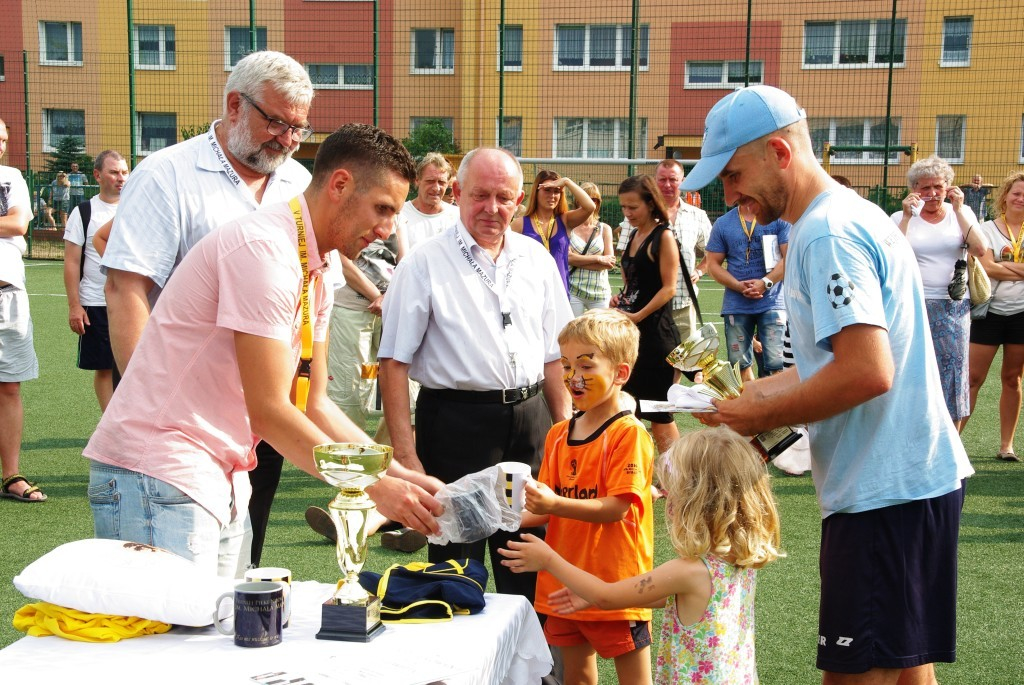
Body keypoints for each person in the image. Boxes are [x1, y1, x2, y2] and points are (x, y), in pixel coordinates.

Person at [682, 85, 971, 684]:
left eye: (734, 175)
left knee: (856, 672)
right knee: (906, 667)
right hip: (911, 481)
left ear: (780, 153)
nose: (729, 194)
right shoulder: (850, 213)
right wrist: (757, 396)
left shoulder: (826, 233)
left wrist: (759, 418)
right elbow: (844, 359)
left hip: (885, 493)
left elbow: (867, 371)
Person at [83, 123, 443, 577]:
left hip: (218, 472)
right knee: (167, 643)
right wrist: (373, 485)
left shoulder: (316, 263)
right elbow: (270, 411)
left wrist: (395, 473)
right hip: (162, 472)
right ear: (339, 185)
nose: (389, 229)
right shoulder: (265, 250)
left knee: (215, 637)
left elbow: (312, 402)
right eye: (383, 208)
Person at [100, 51, 315, 569]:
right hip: (181, 431)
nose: (287, 139)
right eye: (277, 122)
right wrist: (151, 403)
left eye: (299, 129)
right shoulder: (166, 174)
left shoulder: (296, 185)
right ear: (235, 105)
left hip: (264, 415)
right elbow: (127, 290)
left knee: (240, 578)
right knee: (166, 605)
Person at [378, 147, 574, 603]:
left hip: (531, 421)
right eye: (481, 195)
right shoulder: (424, 262)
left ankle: (530, 672)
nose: (492, 208)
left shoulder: (536, 260)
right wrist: (407, 458)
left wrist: (563, 434)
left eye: (504, 198)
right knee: (455, 568)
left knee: (527, 561)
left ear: (519, 199)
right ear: (458, 192)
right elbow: (394, 362)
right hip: (454, 424)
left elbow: (553, 356)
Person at [499, 426, 782, 685]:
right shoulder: (737, 559)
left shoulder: (687, 571)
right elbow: (661, 596)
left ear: (694, 500)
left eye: (675, 489)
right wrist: (589, 596)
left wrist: (549, 559)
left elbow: (607, 595)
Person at [510, 309, 655, 685]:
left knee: (634, 679)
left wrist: (555, 504)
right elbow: (543, 510)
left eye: (586, 366)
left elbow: (617, 509)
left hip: (616, 584)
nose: (573, 377)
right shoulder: (558, 433)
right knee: (576, 676)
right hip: (562, 581)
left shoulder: (628, 434)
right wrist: (497, 519)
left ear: (620, 373)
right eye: (566, 365)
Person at [892, 156, 986, 430]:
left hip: (952, 305)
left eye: (938, 187)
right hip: (911, 303)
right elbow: (890, 255)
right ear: (914, 189)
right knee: (911, 370)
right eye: (925, 188)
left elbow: (980, 250)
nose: (932, 194)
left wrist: (958, 211)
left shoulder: (963, 213)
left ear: (949, 188)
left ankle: (952, 446)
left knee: (954, 372)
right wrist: (908, 217)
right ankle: (912, 437)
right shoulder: (900, 217)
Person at [612, 175, 680, 454]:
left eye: (633, 207)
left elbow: (669, 288)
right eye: (624, 208)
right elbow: (635, 282)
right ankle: (644, 475)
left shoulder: (663, 236)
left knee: (659, 415)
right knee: (632, 410)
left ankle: (678, 478)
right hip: (633, 336)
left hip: (656, 338)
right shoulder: (632, 235)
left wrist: (638, 315)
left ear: (651, 204)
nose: (627, 214)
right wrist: (621, 297)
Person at [62, 150, 129, 413]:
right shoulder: (84, 212)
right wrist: (74, 305)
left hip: (135, 302)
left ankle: (129, 424)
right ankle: (111, 426)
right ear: (98, 175)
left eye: (124, 172)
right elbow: (71, 261)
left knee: (133, 365)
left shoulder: (138, 206)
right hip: (97, 302)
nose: (120, 178)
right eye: (114, 172)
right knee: (105, 367)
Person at [0, 117, 46, 502]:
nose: (0, 145)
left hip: (7, 296)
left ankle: (11, 475)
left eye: (3, 138)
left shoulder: (12, 176)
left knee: (9, 387)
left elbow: (19, 223)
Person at [618, 160, 712, 343]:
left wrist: (700, 271)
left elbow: (714, 252)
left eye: (673, 179)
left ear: (683, 180)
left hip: (683, 303)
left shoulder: (697, 216)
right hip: (648, 307)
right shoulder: (637, 215)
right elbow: (625, 259)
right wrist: (629, 293)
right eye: (662, 180)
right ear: (654, 181)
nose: (667, 185)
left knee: (689, 365)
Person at [965, 171, 1024, 461]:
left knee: (1012, 378)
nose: (1020, 199)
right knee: (973, 378)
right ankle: (953, 441)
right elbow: (986, 267)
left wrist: (1004, 267)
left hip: (1021, 314)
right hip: (988, 310)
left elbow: (996, 266)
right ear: (1005, 196)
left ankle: (1006, 446)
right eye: (1016, 193)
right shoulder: (986, 229)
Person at [706, 204, 790, 381]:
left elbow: (788, 256)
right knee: (740, 364)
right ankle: (752, 405)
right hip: (736, 305)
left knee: (778, 364)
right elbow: (712, 265)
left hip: (773, 302)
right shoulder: (723, 223)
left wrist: (765, 282)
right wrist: (737, 285)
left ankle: (775, 408)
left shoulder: (778, 218)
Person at [512, 170, 596, 293]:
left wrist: (567, 181)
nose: (552, 195)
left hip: (559, 292)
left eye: (557, 191)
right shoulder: (520, 224)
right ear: (536, 192)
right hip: (529, 292)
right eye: (547, 190)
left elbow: (590, 207)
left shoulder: (565, 220)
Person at [567, 182, 614, 315]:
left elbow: (609, 263)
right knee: (573, 332)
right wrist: (599, 258)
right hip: (573, 290)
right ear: (578, 201)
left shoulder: (605, 228)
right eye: (586, 198)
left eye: (594, 199)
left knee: (600, 334)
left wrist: (578, 260)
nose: (591, 203)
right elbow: (568, 258)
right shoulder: (568, 226)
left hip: (600, 292)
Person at [399, 152, 459, 252]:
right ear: (417, 180)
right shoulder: (400, 214)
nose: (436, 188)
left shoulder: (458, 217)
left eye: (441, 182)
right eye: (430, 181)